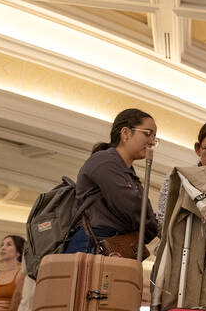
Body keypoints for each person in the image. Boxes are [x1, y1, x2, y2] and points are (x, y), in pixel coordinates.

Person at [65, 108, 159, 254]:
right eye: (147, 133)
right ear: (126, 133)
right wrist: (152, 227)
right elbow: (131, 207)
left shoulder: (127, 171)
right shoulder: (104, 161)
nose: (152, 142)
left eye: (155, 137)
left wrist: (149, 225)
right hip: (93, 245)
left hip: (111, 245)